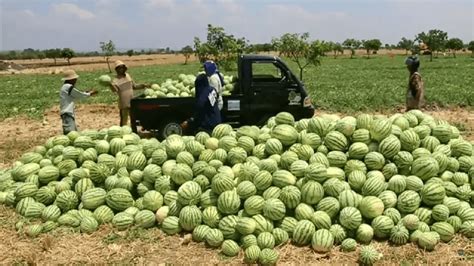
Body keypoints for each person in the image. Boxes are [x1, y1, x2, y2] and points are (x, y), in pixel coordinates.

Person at [110, 60, 150, 126]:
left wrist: (144, 85)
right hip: (124, 104)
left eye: (122, 67)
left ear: (124, 68)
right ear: (116, 69)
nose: (121, 69)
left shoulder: (128, 76)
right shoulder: (115, 80)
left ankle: (134, 131)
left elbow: (134, 86)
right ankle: (122, 132)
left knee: (133, 119)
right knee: (124, 120)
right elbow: (114, 90)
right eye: (119, 68)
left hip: (132, 101)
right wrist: (110, 85)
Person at [59, 69, 97, 134]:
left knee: (74, 133)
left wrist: (86, 92)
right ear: (71, 79)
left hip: (67, 113)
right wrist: (90, 94)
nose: (76, 80)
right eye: (74, 79)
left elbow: (76, 93)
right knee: (70, 133)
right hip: (67, 113)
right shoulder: (68, 87)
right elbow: (79, 95)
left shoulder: (65, 87)